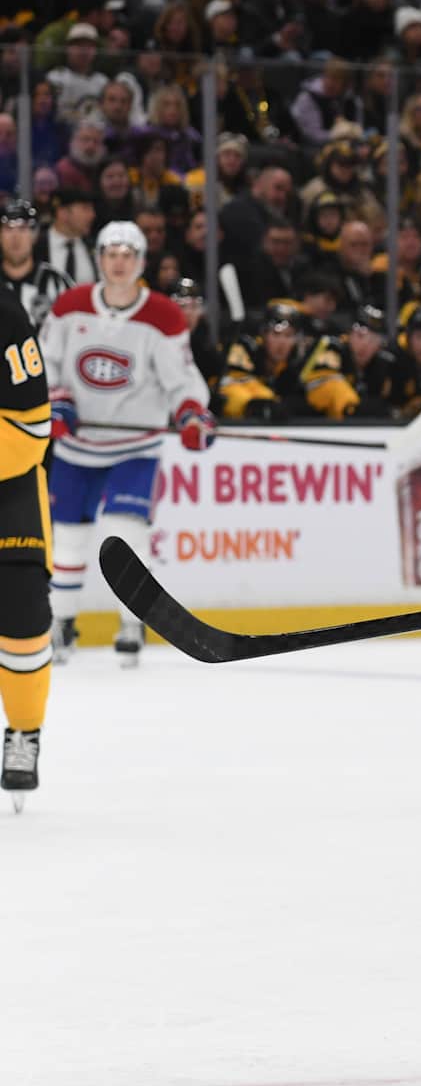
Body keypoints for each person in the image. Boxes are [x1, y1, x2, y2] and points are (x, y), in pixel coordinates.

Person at [38, 222, 214, 666]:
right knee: (68, 540)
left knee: (127, 536)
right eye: (111, 254)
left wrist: (191, 413)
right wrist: (56, 402)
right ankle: (62, 622)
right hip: (78, 446)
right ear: (99, 258)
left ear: (140, 262)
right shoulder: (70, 305)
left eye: (128, 255)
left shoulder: (163, 316)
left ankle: (132, 623)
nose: (119, 263)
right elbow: (46, 362)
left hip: (136, 446)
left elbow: (181, 379)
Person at [0, 282, 51, 809]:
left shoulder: (7, 316)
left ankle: (23, 729)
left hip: (10, 488)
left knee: (22, 614)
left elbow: (32, 428)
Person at [0, 200, 72, 326]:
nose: (15, 237)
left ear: (34, 235)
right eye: (8, 229)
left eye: (22, 228)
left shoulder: (58, 282)